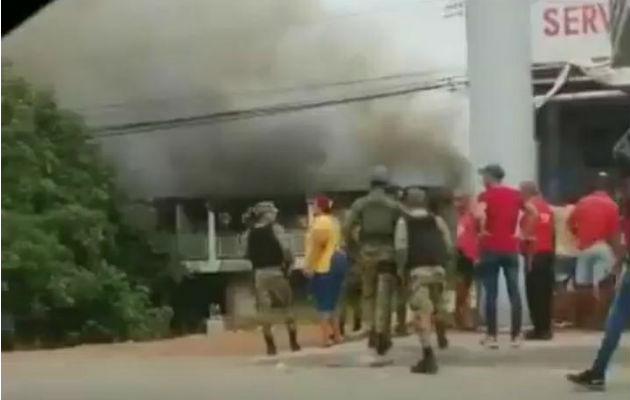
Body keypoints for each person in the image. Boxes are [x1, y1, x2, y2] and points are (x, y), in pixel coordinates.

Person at [567, 136, 629, 391]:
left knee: (615, 319)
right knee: (614, 318)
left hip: (595, 249)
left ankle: (597, 372)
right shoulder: (617, 206)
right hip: (614, 256)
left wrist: (620, 259)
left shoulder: (619, 202)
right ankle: (597, 371)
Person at [394, 188, 453, 374]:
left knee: (422, 314)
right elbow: (449, 246)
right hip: (438, 270)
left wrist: (400, 270)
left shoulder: (404, 222)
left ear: (408, 202)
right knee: (438, 307)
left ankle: (428, 356)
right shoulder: (437, 220)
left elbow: (401, 249)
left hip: (418, 272)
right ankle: (442, 333)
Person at [476, 164, 535, 349]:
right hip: (510, 247)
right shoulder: (515, 194)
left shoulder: (485, 196)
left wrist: (482, 230)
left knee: (491, 292)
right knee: (514, 291)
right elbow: (533, 211)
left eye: (484, 175)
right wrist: (523, 233)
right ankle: (516, 336)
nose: (482, 179)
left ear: (490, 177)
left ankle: (492, 336)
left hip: (490, 247)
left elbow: (479, 215)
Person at [344, 165, 400, 355]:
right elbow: (401, 229)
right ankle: (383, 332)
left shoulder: (360, 204)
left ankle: (370, 331)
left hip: (366, 252)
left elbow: (347, 226)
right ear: (386, 184)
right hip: (388, 253)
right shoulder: (393, 205)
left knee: (368, 293)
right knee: (385, 295)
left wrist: (353, 248)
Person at [244, 201, 300, 356]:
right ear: (266, 215)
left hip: (259, 274)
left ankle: (270, 346)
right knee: (288, 307)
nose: (275, 214)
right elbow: (287, 249)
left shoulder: (249, 233)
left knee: (264, 311)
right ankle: (293, 342)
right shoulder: (276, 229)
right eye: (273, 212)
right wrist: (290, 264)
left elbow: (245, 253)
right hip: (276, 271)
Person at [568, 173, 621, 328]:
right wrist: (617, 255)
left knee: (583, 285)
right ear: (608, 188)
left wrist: (580, 235)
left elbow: (571, 224)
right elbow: (614, 233)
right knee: (605, 284)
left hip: (584, 247)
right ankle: (601, 320)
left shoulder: (582, 202)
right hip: (602, 246)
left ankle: (583, 320)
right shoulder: (612, 205)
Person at [304, 195, 347, 347]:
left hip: (325, 264)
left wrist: (309, 265)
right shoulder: (334, 221)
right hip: (338, 259)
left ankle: (325, 338)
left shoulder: (321, 222)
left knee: (323, 302)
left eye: (315, 205)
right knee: (333, 301)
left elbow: (318, 246)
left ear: (320, 207)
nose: (313, 207)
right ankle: (337, 335)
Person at [519, 181, 555, 340]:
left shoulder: (529, 209)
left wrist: (524, 251)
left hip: (534, 254)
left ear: (526, 192)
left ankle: (539, 328)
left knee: (533, 293)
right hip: (547, 253)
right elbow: (552, 232)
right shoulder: (547, 207)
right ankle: (546, 327)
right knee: (546, 292)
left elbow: (526, 234)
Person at [454, 193, 478, 330]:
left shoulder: (470, 217)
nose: (458, 203)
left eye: (461, 200)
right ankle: (460, 317)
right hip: (459, 255)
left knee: (466, 288)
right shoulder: (456, 218)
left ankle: (463, 317)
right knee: (461, 288)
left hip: (469, 256)